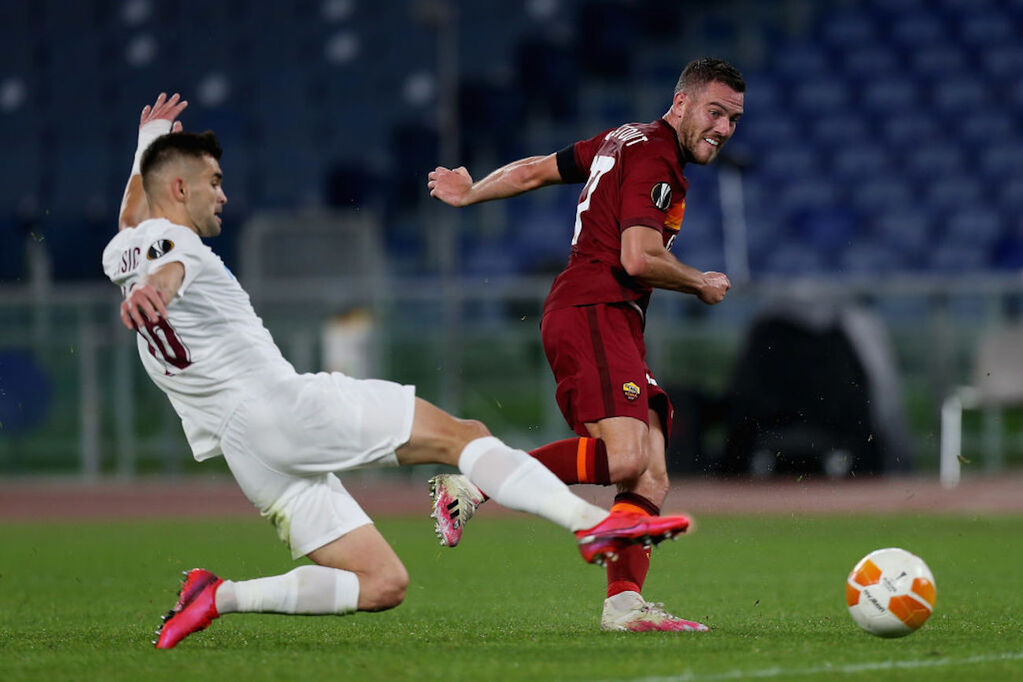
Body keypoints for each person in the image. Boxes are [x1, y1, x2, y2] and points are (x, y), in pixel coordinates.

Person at [104, 93, 694, 650]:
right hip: (281, 408)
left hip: (246, 452)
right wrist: (157, 286)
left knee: (382, 583)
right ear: (179, 188)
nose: (222, 196)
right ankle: (592, 524)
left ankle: (218, 596)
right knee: (466, 438)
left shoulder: (123, 248)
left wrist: (147, 142)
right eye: (213, 182)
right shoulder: (176, 249)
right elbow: (171, 265)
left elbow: (138, 217)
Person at [426, 58, 745, 632]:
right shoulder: (656, 156)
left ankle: (624, 606)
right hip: (594, 307)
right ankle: (474, 480)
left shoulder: (623, 138)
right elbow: (637, 257)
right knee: (625, 457)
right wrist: (701, 281)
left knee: (649, 475)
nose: (723, 128)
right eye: (715, 112)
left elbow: (532, 172)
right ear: (681, 103)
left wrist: (472, 192)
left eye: (733, 119)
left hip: (605, 315)